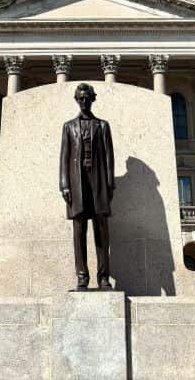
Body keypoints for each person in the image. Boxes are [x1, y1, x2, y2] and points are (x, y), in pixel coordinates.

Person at [59, 82, 116, 290]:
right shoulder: (68, 127)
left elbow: (109, 157)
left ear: (93, 99)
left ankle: (103, 277)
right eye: (80, 98)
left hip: (98, 181)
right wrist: (64, 185)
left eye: (87, 98)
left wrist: (110, 184)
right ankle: (82, 276)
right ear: (76, 100)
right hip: (77, 183)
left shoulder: (103, 126)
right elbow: (64, 157)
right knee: (79, 229)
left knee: (101, 229)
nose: (84, 101)